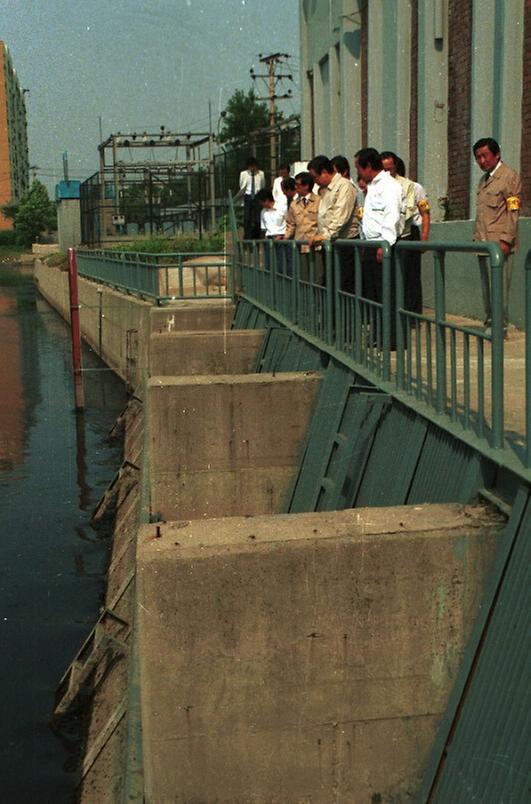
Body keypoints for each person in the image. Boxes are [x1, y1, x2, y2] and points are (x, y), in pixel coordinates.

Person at [354, 147, 402, 348]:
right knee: (374, 294)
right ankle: (378, 334)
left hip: (382, 245)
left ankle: (390, 338)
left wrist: (385, 243)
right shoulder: (373, 186)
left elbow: (391, 215)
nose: (358, 172)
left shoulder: (389, 185)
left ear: (367, 166)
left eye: (359, 167)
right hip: (370, 243)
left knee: (385, 293)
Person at [473, 137, 521, 332]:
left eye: (485, 156)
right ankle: (491, 320)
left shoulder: (508, 176)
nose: (482, 161)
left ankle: (500, 325)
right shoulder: (484, 180)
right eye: (478, 158)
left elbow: (513, 211)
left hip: (499, 243)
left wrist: (506, 240)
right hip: (483, 242)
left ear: (496, 154)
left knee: (499, 287)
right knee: (487, 287)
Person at [381, 151, 429, 315]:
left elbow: (425, 213)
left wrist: (424, 238)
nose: (387, 172)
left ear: (396, 167)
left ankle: (413, 312)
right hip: (389, 234)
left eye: (390, 168)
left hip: (409, 232)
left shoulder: (413, 187)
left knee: (411, 275)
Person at [307, 154, 359, 287]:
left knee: (344, 286)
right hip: (330, 244)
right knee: (330, 284)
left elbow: (340, 217)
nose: (315, 181)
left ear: (324, 172)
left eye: (315, 177)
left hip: (344, 245)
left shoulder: (345, 186)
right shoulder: (325, 190)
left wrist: (324, 236)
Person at [283, 171, 320, 280]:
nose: (295, 187)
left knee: (317, 276)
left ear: (306, 186)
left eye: (298, 185)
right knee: (303, 277)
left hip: (316, 245)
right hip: (301, 246)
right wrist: (286, 237)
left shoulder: (319, 201)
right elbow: (291, 224)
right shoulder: (294, 204)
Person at [235, 157, 265, 240]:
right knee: (247, 218)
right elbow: (241, 185)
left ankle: (257, 235)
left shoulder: (261, 174)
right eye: (251, 166)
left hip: (257, 196)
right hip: (248, 196)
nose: (253, 168)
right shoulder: (243, 174)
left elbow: (262, 185)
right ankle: (247, 236)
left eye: (254, 166)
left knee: (257, 218)